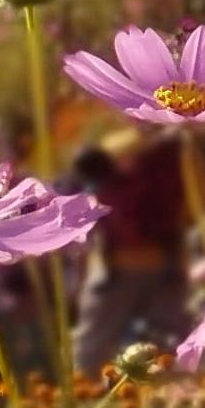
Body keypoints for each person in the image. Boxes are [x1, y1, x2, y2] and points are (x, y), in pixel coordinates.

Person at [66, 135, 192, 374]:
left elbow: (87, 243)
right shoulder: (147, 179)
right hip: (163, 265)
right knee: (166, 343)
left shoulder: (103, 194)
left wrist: (78, 284)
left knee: (92, 347)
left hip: (121, 271)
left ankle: (87, 392)